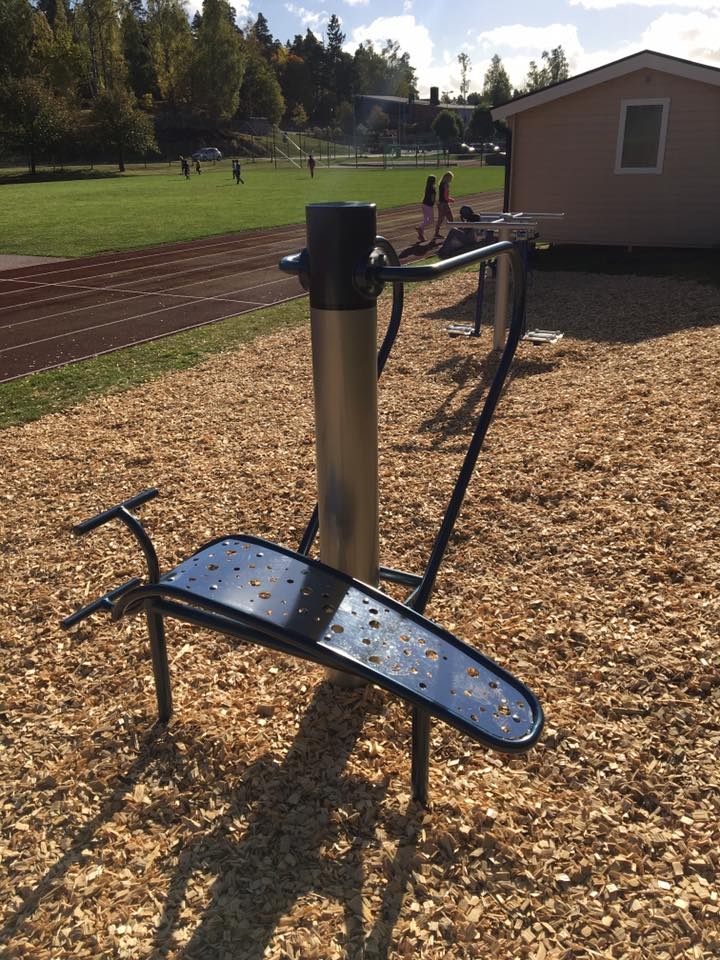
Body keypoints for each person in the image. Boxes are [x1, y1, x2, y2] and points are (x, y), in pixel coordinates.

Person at [415, 174, 436, 243]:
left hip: (424, 204)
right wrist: (434, 203)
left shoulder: (427, 187)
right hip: (428, 205)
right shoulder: (433, 188)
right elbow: (433, 198)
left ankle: (421, 235)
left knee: (425, 219)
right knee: (431, 220)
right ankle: (420, 228)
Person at [434, 171, 455, 239]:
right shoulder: (446, 185)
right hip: (444, 204)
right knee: (451, 219)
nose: (451, 180)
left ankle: (436, 233)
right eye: (451, 178)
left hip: (440, 203)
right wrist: (451, 200)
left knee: (440, 219)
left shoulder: (441, 184)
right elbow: (446, 197)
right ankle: (453, 233)